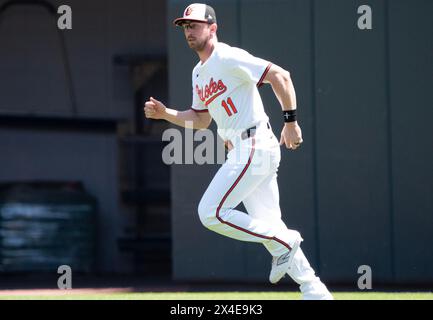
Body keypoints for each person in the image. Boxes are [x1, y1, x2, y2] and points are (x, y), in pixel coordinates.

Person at [144, 3, 333, 300]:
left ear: (212, 28)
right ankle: (314, 289)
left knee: (210, 212)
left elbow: (281, 76)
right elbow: (201, 120)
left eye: (194, 25)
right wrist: (166, 113)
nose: (188, 31)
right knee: (269, 225)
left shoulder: (227, 56)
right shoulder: (198, 72)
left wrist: (291, 123)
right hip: (245, 149)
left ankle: (284, 241)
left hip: (255, 144)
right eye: (184, 26)